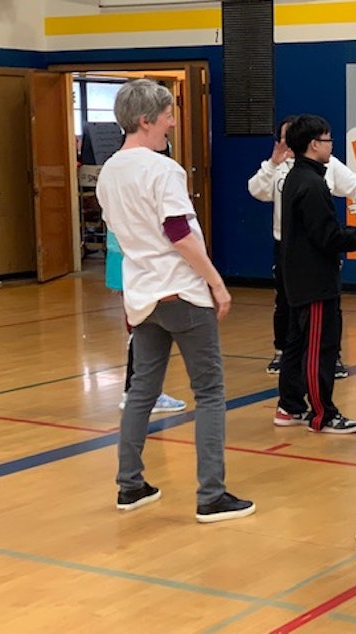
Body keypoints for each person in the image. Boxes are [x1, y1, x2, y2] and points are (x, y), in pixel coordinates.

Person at [97, 79, 255, 522]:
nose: (172, 120)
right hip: (181, 292)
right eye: (166, 114)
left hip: (142, 296)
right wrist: (217, 283)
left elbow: (122, 232)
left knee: (141, 391)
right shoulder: (163, 170)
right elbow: (178, 233)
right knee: (210, 392)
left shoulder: (109, 171)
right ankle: (211, 495)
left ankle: (130, 486)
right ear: (146, 120)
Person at [248, 116, 356, 378]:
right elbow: (257, 190)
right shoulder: (286, 171)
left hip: (317, 248)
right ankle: (285, 353)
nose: (287, 144)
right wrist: (272, 163)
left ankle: (329, 358)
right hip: (287, 246)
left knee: (327, 308)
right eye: (283, 138)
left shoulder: (325, 168)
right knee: (286, 304)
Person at [274, 114, 356, 433]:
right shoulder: (312, 184)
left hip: (301, 277)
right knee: (318, 347)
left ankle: (291, 405)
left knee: (298, 344)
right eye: (328, 140)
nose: (331, 146)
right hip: (314, 281)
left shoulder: (298, 176)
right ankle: (322, 414)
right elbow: (328, 237)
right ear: (315, 144)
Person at [106, 229, 187, 415]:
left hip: (126, 257)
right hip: (134, 259)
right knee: (143, 327)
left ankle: (138, 391)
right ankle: (139, 392)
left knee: (140, 326)